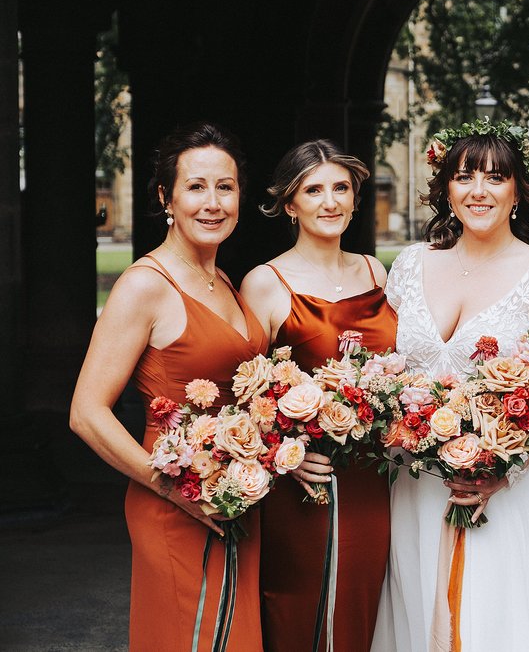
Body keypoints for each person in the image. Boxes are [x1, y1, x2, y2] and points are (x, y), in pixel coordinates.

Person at [372, 119, 529, 651]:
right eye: (465, 177)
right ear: (447, 189)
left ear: (518, 191)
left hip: (508, 478)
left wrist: (498, 467)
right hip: (418, 473)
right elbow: (388, 368)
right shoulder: (412, 265)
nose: (479, 190)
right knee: (419, 598)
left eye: (495, 177)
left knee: (494, 612)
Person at [70, 122, 269, 651]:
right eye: (195, 186)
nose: (212, 202)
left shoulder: (223, 279)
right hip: (175, 505)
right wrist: (172, 489)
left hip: (234, 499)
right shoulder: (144, 286)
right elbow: (87, 412)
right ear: (166, 197)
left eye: (225, 187)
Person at [240, 140, 393, 651]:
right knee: (301, 606)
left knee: (368, 599)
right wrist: (286, 455)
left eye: (341, 188)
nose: (330, 202)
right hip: (304, 482)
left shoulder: (377, 272)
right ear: (289, 204)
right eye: (314, 190)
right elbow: (244, 393)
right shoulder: (265, 282)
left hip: (375, 476)